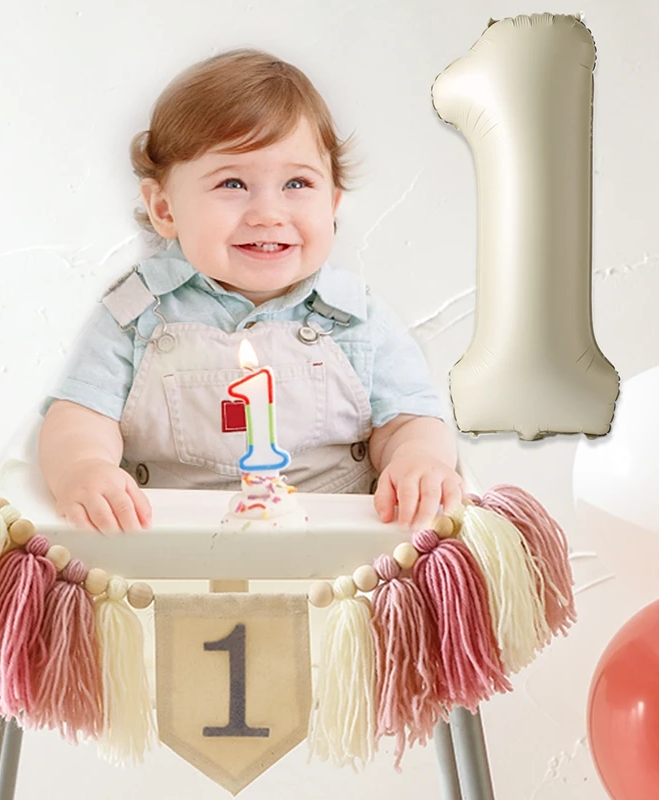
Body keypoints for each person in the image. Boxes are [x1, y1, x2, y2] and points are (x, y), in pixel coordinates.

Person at [38, 48, 463, 533]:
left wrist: (418, 461)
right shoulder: (136, 315)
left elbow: (409, 422)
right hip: (172, 546)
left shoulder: (357, 319)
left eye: (297, 183)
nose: (268, 214)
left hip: (332, 550)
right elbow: (79, 417)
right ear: (164, 209)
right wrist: (82, 468)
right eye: (233, 183)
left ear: (332, 204)